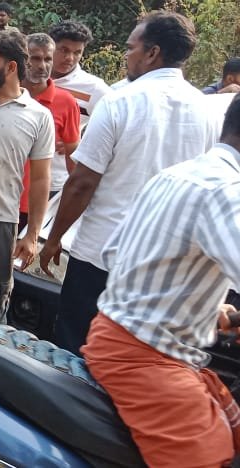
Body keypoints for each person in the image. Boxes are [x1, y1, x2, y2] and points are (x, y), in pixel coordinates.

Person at [38, 11, 218, 354]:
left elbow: (82, 183)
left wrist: (54, 239)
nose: (126, 55)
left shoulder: (120, 102)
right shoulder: (207, 111)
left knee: (76, 349)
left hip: (101, 256)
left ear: (152, 53)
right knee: (133, 356)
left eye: (131, 47)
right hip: (164, 268)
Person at [82, 96, 240, 468]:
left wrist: (203, 306)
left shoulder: (175, 174)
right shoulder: (228, 193)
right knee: (209, 458)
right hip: (147, 358)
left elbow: (116, 254)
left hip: (117, 337)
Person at [0, 31, 54, 323]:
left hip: (0, 221)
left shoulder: (39, 116)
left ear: (11, 67)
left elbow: (41, 179)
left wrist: (32, 235)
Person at [20, 32, 80, 225]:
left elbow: (73, 158)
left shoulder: (66, 102)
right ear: (23, 59)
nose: (42, 66)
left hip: (37, 202)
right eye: (35, 58)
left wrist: (75, 204)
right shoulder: (4, 94)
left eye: (48, 59)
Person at [49, 20, 111, 123]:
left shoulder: (94, 88)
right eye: (64, 50)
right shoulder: (29, 77)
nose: (70, 58)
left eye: (77, 52)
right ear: (50, 47)